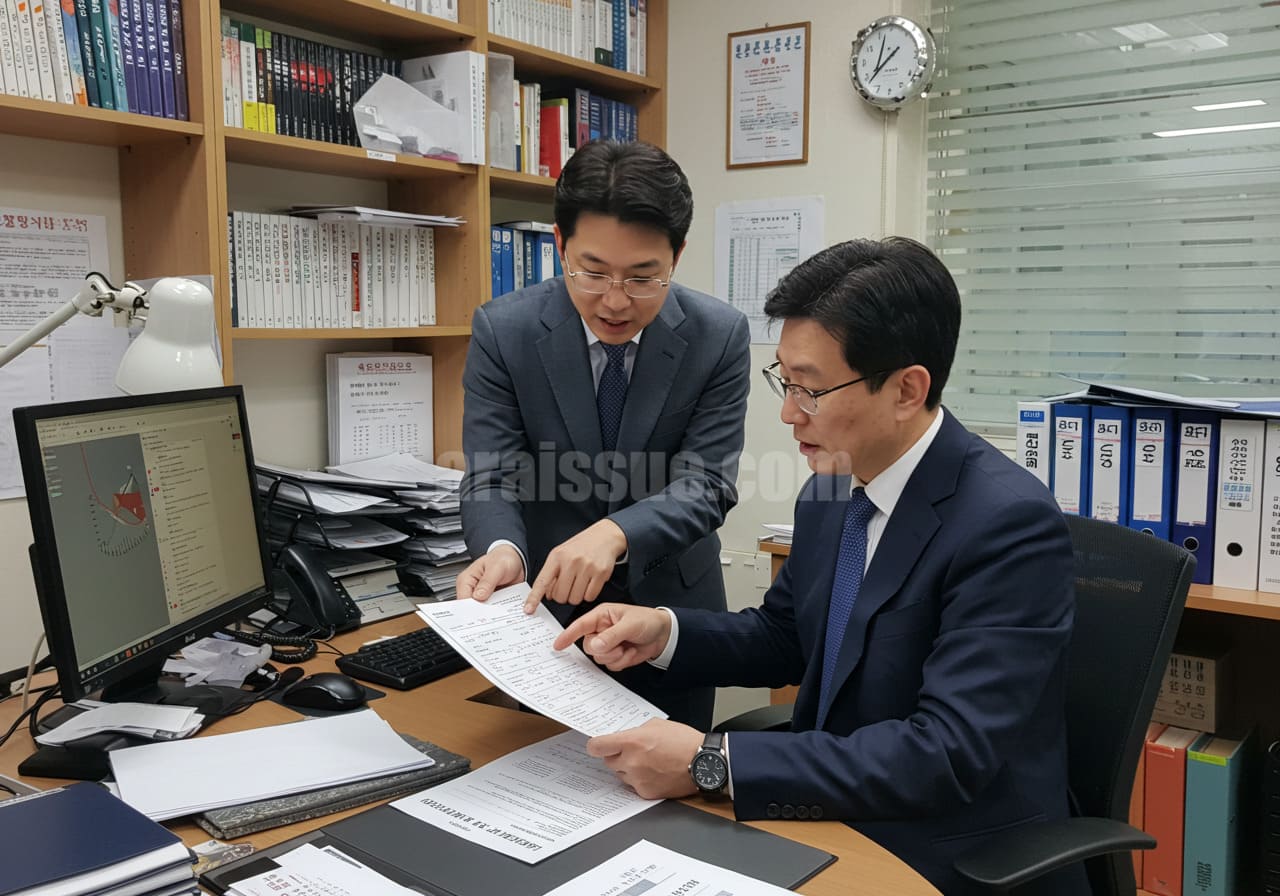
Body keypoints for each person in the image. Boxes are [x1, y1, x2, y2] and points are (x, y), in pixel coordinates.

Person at [554, 237, 1087, 896]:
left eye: (809, 389)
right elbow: (788, 638)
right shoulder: (833, 491)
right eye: (784, 381)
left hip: (945, 848)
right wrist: (666, 633)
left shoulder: (1007, 524)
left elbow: (944, 755)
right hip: (824, 813)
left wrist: (709, 761)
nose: (787, 414)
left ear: (906, 389)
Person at [456, 139, 751, 729]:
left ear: (677, 255)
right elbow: (492, 473)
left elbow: (707, 484)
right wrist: (503, 549)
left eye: (644, 277)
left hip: (673, 615)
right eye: (592, 272)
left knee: (676, 804)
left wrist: (616, 532)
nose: (615, 302)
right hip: (551, 619)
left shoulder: (719, 335)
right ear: (560, 244)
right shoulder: (504, 330)